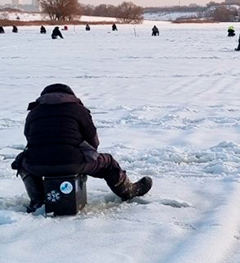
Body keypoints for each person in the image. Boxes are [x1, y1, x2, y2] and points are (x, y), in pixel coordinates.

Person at [13, 84, 152, 211]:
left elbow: (29, 139)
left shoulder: (33, 113)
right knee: (108, 163)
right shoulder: (78, 110)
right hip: (74, 162)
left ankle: (38, 201)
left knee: (22, 162)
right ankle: (129, 191)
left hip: (38, 164)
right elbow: (93, 140)